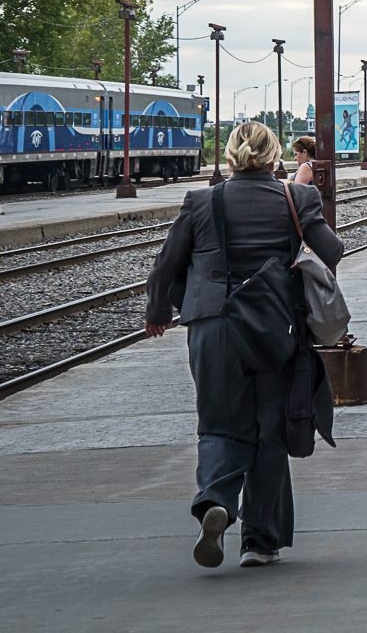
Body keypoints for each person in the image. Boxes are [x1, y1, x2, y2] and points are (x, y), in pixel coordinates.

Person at [144, 120, 344, 569]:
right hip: (274, 327)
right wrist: (304, 196)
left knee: (218, 422)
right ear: (275, 156)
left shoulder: (201, 201)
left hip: (213, 326)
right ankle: (260, 541)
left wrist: (158, 313)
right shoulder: (297, 197)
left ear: (231, 155)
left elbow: (164, 266)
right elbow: (331, 251)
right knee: (270, 428)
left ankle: (215, 501)